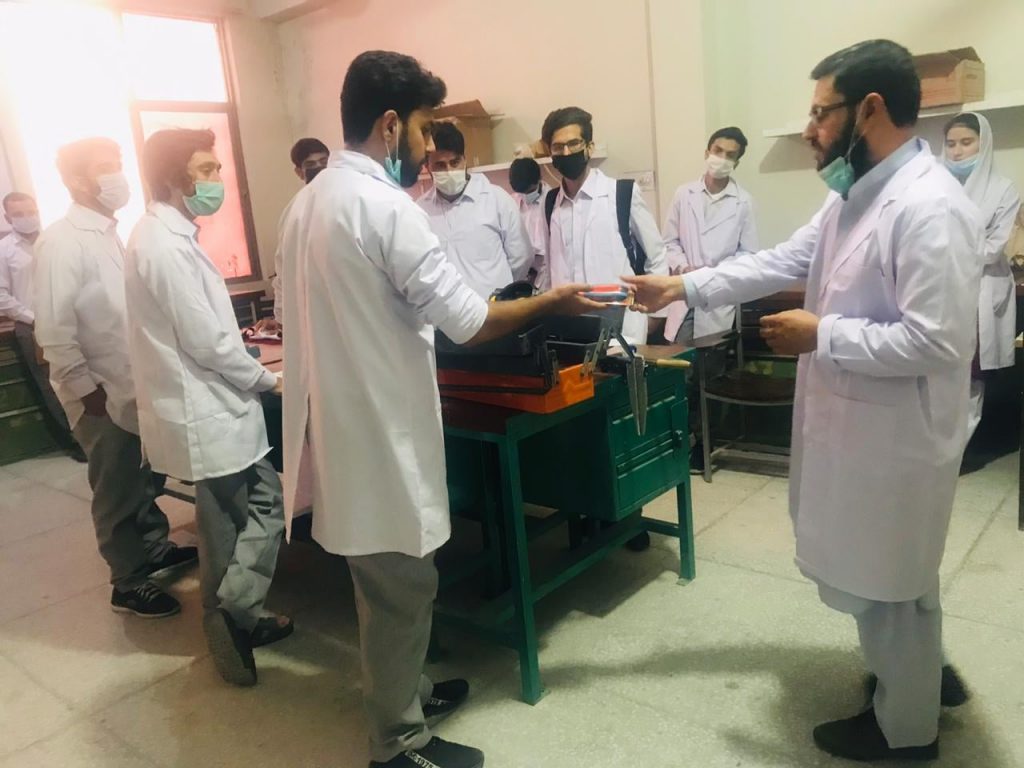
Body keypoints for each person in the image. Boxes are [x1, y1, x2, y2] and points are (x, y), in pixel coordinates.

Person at [623, 39, 982, 761]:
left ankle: (905, 733)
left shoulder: (928, 206)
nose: (812, 130)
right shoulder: (856, 193)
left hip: (898, 438)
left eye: (821, 114)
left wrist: (825, 335)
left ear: (869, 109)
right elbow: (783, 258)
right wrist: (684, 286)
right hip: (865, 428)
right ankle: (916, 679)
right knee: (896, 579)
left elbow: (937, 341)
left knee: (889, 584)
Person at [278, 50, 603, 768]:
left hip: (346, 429)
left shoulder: (307, 203)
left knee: (381, 586)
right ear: (392, 124)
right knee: (400, 589)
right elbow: (469, 322)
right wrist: (553, 300)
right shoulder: (385, 206)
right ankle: (398, 745)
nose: (430, 149)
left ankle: (410, 693)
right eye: (426, 130)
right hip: (382, 436)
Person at [124, 128, 290, 688]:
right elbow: (206, 341)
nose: (218, 179)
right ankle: (230, 622)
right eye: (206, 170)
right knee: (233, 525)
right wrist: (267, 381)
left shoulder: (171, 235)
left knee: (255, 510)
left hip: (215, 405)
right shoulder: (162, 245)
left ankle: (240, 611)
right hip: (206, 412)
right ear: (174, 178)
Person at [34, 137, 197, 619]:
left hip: (130, 385)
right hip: (99, 394)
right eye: (106, 167)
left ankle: (154, 548)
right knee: (116, 488)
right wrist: (88, 393)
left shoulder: (109, 234)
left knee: (142, 478)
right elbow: (54, 332)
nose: (118, 176)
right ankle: (127, 581)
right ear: (76, 180)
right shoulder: (62, 242)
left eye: (119, 164)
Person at [540, 106, 668, 346]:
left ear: (589, 147)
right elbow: (549, 266)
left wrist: (656, 315)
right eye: (558, 147)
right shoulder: (549, 203)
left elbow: (657, 254)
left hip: (622, 324)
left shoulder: (621, 194)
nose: (566, 152)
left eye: (574, 144)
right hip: (569, 326)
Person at [941, 112, 1022, 441]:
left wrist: (944, 251)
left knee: (971, 375)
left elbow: (992, 248)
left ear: (983, 143)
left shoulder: (1003, 190)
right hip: (940, 291)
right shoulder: (935, 186)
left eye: (966, 142)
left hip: (979, 292)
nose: (957, 151)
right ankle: (935, 448)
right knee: (937, 370)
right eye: (950, 144)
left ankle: (958, 450)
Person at [1, 192, 86, 461]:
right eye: (19, 214)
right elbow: (1, 295)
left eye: (31, 211)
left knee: (80, 375)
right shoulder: (4, 250)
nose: (27, 218)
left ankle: (94, 433)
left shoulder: (53, 240)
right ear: (7, 218)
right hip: (33, 326)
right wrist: (33, 318)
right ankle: (76, 441)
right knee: (51, 383)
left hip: (67, 320)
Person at [662, 127, 759, 343]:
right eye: (718, 151)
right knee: (677, 355)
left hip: (717, 293)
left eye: (730, 155)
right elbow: (669, 242)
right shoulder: (683, 194)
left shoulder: (744, 202)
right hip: (684, 289)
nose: (722, 158)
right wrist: (684, 267)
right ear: (707, 153)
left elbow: (748, 253)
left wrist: (715, 273)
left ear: (736, 163)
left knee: (711, 356)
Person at [417, 122, 532, 299]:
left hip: (496, 308)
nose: (449, 170)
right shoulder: (420, 211)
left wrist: (501, 292)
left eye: (454, 162)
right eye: (440, 165)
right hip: (445, 312)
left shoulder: (497, 199)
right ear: (427, 166)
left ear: (464, 159)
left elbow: (521, 257)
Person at [256, 137, 331, 335]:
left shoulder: (348, 200)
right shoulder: (293, 213)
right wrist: (281, 319)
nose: (320, 168)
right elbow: (283, 271)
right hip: (314, 310)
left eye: (324, 162)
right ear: (299, 172)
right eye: (311, 165)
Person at [508, 156, 550, 283]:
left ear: (539, 179)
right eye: (521, 192)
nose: (525, 196)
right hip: (519, 270)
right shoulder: (510, 201)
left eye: (530, 191)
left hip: (544, 271)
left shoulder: (551, 202)